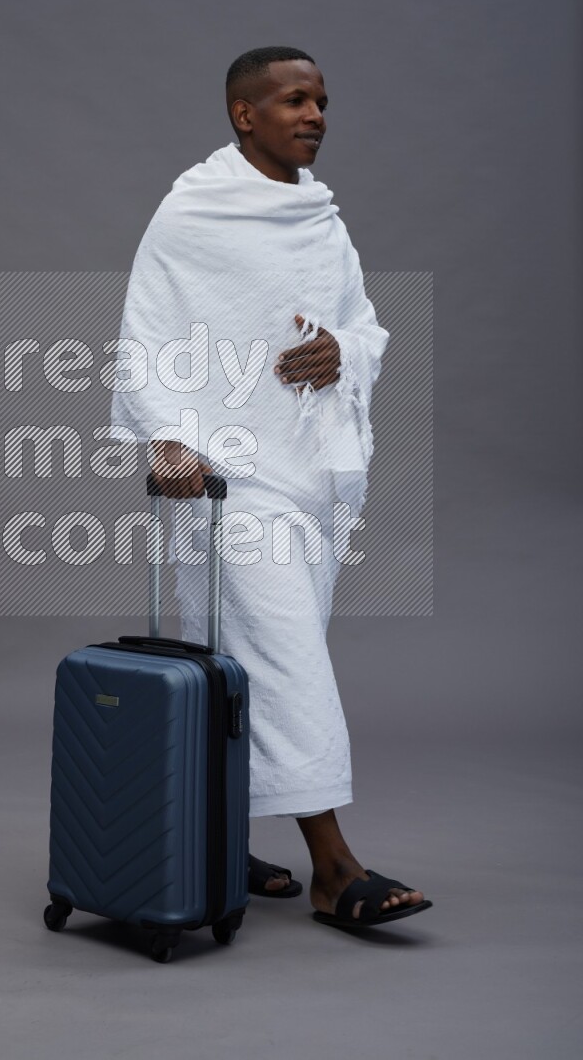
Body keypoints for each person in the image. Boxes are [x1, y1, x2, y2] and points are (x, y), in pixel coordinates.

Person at [110, 46, 431, 927]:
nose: (316, 113)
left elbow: (363, 327)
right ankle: (334, 866)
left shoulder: (321, 217)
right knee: (289, 656)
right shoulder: (191, 211)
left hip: (307, 471)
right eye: (295, 99)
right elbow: (144, 335)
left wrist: (340, 349)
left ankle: (216, 834)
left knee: (251, 663)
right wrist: (169, 440)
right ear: (244, 114)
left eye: (323, 99)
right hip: (226, 471)